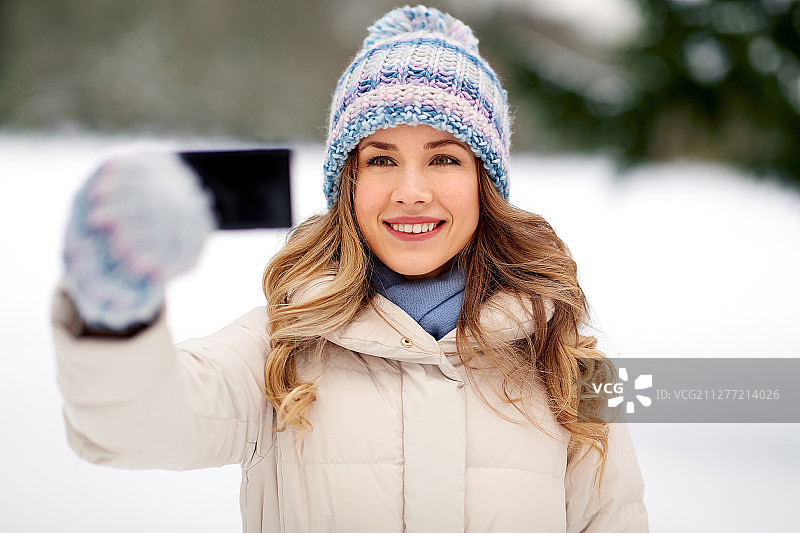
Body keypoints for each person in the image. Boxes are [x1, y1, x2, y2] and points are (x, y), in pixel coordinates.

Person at [53, 5, 648, 532]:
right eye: (381, 159)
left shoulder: (569, 364)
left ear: (484, 182)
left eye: (444, 158)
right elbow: (133, 425)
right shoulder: (278, 349)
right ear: (348, 183)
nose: (411, 191)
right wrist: (112, 310)